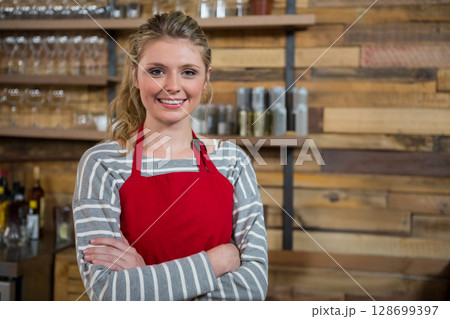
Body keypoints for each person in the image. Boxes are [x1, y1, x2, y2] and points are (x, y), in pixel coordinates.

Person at [72, 11, 268, 301]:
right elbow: (109, 293)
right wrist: (218, 262)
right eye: (157, 71)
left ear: (205, 79)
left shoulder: (232, 162)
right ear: (135, 75)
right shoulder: (102, 163)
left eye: (188, 71)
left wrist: (145, 277)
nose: (172, 86)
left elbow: (252, 288)